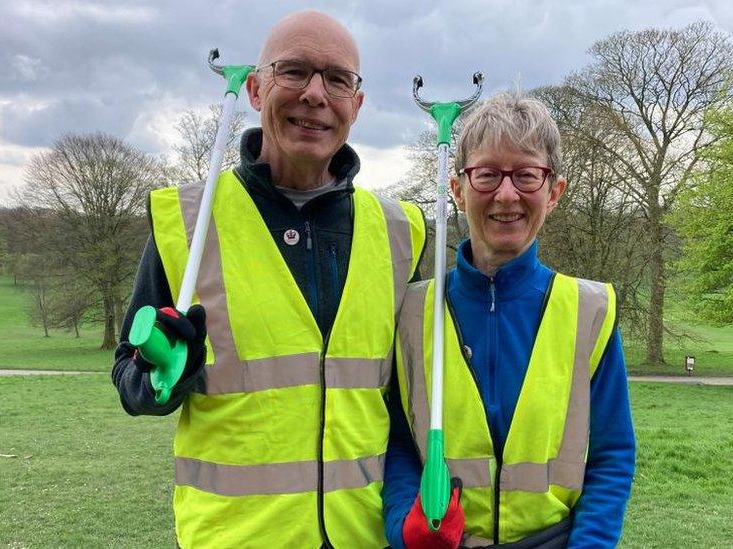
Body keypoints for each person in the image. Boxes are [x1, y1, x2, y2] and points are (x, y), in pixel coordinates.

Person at [111, 11, 426, 548]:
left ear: (357, 103)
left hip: (362, 536)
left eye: (337, 79)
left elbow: (409, 402)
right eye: (295, 71)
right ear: (255, 90)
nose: (315, 94)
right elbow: (132, 382)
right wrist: (166, 375)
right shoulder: (189, 223)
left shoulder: (403, 232)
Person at [383, 93, 636, 548]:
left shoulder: (590, 311)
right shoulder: (411, 312)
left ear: (553, 191)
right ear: (458, 189)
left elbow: (611, 455)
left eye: (526, 175)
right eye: (487, 175)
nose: (506, 194)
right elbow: (398, 442)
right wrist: (404, 526)